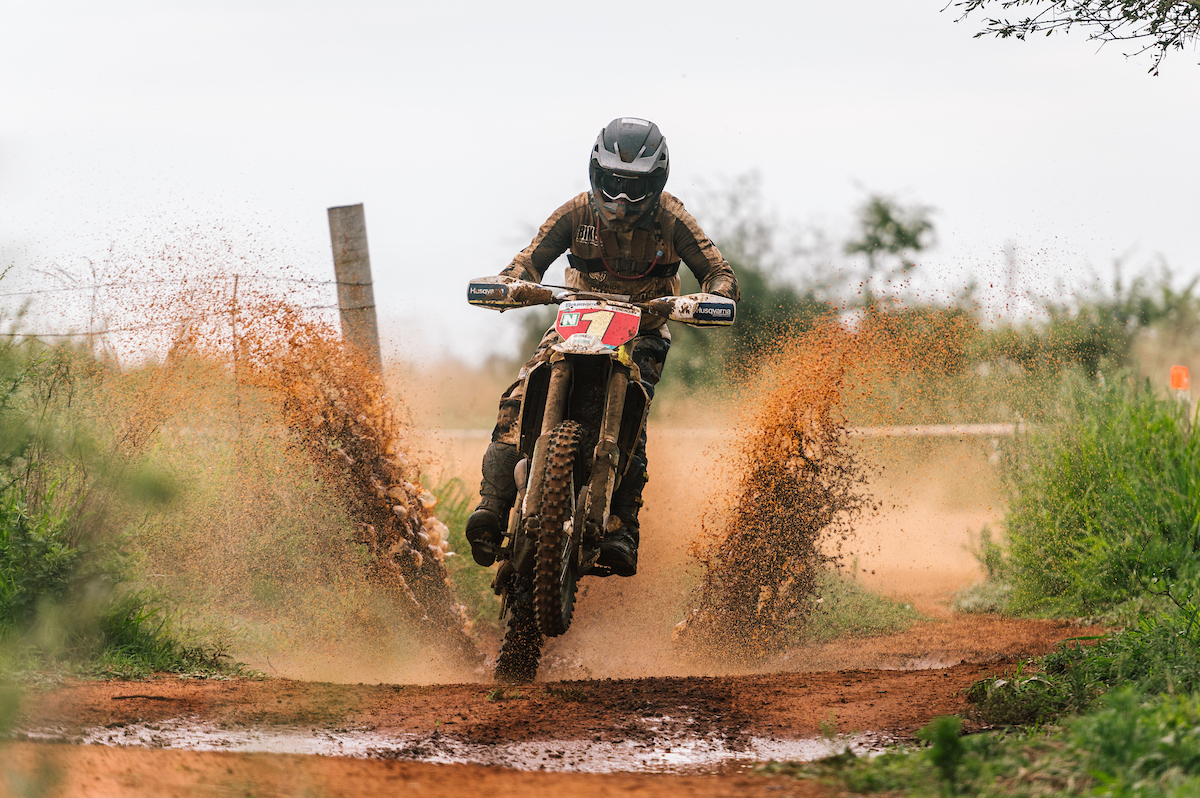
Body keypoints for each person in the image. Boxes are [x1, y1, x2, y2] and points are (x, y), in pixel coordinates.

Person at [465, 117, 740, 576]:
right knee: (516, 398)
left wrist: (716, 297)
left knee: (636, 410)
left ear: (656, 183)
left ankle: (622, 526)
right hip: (576, 320)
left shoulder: (672, 218)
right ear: (596, 175)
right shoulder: (575, 213)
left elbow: (718, 270)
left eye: (635, 187)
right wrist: (508, 284)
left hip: (644, 328)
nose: (622, 198)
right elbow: (527, 263)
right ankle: (491, 507)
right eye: (613, 183)